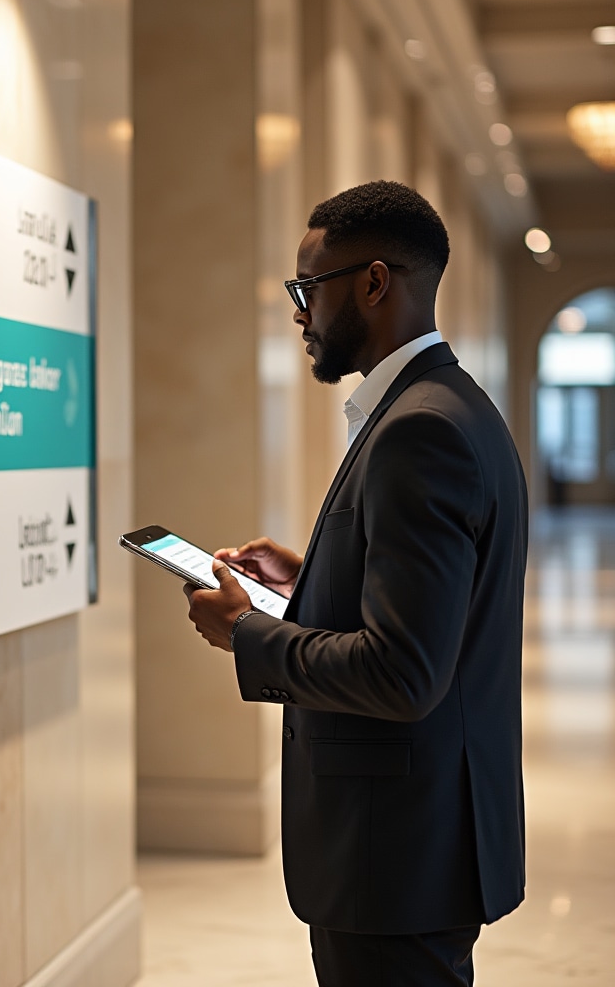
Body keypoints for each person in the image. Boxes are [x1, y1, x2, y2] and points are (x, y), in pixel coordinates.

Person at [183, 181, 528, 986]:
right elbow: (441, 606)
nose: (298, 313)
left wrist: (247, 634)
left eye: (308, 289)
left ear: (374, 283)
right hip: (418, 844)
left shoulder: (420, 431)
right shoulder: (448, 406)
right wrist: (311, 581)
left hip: (394, 855)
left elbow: (403, 673)